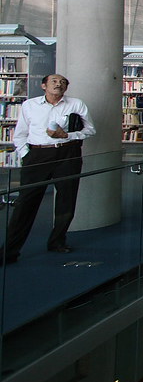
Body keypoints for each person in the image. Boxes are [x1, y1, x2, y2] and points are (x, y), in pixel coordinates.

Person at [2, 74, 96, 263]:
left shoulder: (76, 104)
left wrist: (68, 135)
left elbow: (90, 130)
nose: (58, 84)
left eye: (62, 82)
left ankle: (57, 241)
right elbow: (20, 133)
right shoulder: (30, 105)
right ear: (43, 85)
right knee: (26, 202)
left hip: (68, 153)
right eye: (54, 81)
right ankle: (10, 250)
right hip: (37, 155)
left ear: (66, 88)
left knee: (66, 200)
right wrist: (25, 155)